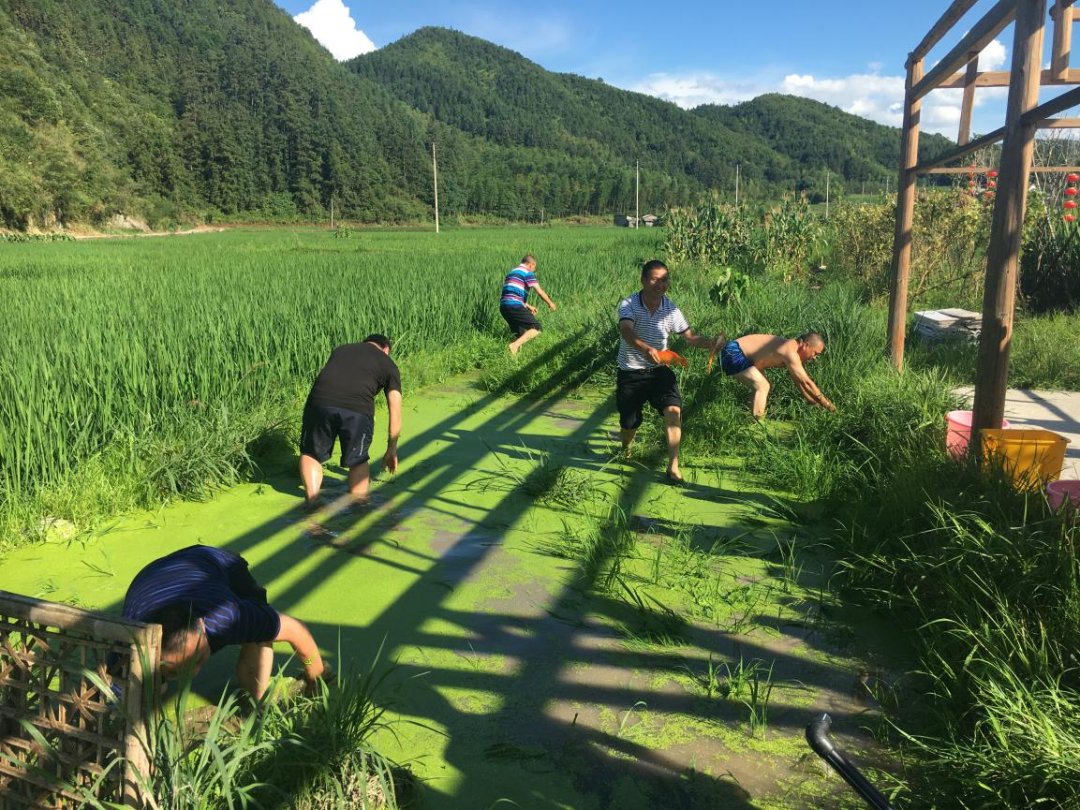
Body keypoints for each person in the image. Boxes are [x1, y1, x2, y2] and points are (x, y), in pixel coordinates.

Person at [122, 545, 328, 699]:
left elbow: (297, 630)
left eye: (199, 659)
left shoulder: (226, 617)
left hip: (215, 562)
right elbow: (113, 694)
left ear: (202, 627)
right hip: (153, 576)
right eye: (174, 669)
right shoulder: (131, 641)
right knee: (149, 686)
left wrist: (315, 677)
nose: (194, 673)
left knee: (257, 634)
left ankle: (255, 693)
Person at [617, 259, 725, 484]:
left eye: (664, 280)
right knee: (629, 422)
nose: (660, 284)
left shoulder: (671, 308)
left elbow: (691, 338)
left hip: (660, 371)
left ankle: (673, 465)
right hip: (631, 372)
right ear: (644, 280)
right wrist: (645, 347)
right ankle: (626, 448)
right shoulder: (629, 304)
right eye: (655, 279)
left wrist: (711, 343)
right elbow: (626, 330)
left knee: (674, 410)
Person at [299, 334, 402, 509]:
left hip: (319, 402)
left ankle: (313, 501)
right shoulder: (388, 364)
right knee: (358, 459)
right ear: (386, 349)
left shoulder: (341, 349)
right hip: (357, 410)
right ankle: (358, 505)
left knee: (311, 453)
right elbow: (395, 407)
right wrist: (391, 449)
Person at [719, 332, 836, 419]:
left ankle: (750, 420)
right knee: (762, 386)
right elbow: (807, 382)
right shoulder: (789, 352)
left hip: (740, 354)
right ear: (806, 345)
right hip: (733, 352)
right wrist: (828, 405)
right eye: (815, 353)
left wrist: (812, 401)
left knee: (762, 385)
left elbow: (799, 382)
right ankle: (757, 426)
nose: (814, 358)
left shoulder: (792, 349)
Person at [499, 254, 556, 354]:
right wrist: (550, 303)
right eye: (534, 267)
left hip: (504, 307)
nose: (533, 270)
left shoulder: (511, 272)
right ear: (531, 264)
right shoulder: (527, 273)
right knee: (536, 328)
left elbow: (512, 294)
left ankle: (514, 361)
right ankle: (514, 346)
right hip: (514, 306)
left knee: (520, 335)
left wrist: (528, 306)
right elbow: (540, 291)